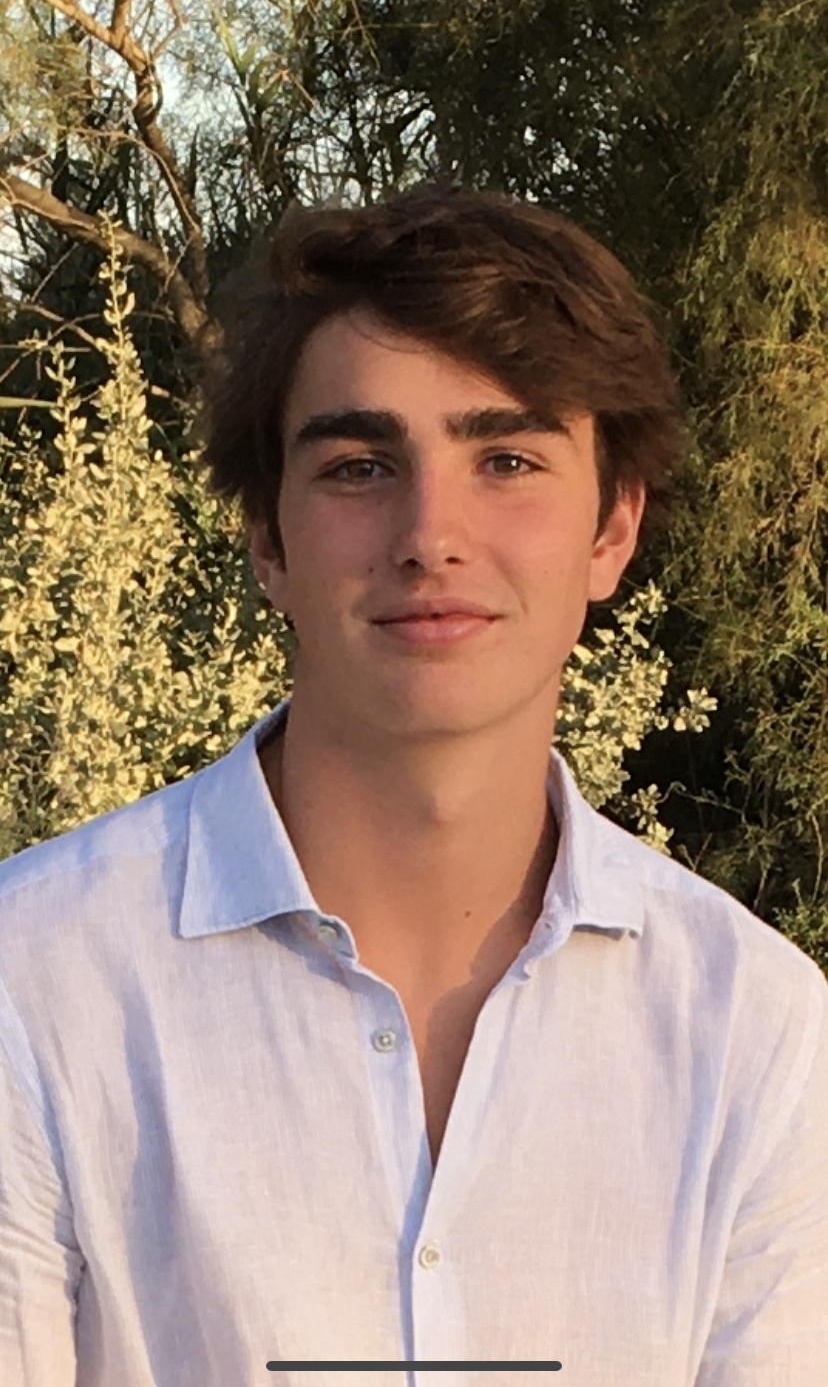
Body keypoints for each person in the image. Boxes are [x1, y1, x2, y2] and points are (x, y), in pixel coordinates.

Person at [0, 181, 826, 1387]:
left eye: (508, 458)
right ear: (268, 539)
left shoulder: (758, 1031)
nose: (431, 533)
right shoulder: (33, 983)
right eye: (358, 466)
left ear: (612, 529)